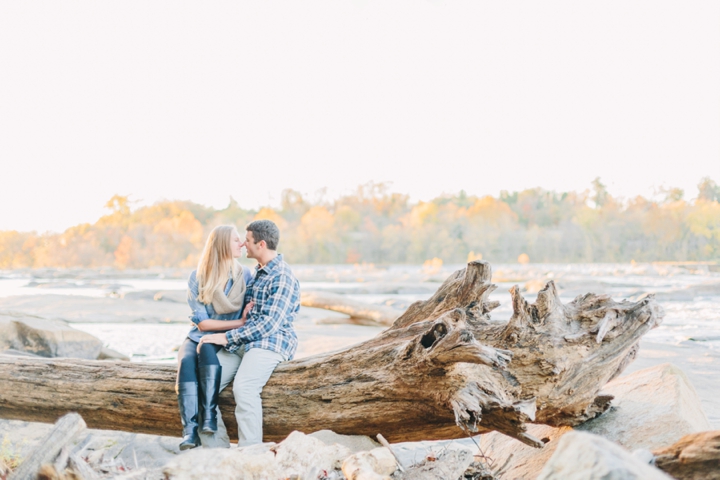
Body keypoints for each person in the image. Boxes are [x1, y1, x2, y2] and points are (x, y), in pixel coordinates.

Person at [198, 219, 299, 447]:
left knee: (244, 388)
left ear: (261, 244)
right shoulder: (258, 273)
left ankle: (251, 456)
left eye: (248, 240)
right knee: (204, 382)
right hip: (244, 342)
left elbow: (269, 325)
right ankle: (217, 453)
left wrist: (225, 337)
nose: (244, 244)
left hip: (270, 343)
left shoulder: (281, 276)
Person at [177, 225, 254, 450]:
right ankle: (190, 431)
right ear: (221, 244)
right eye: (235, 240)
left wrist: (238, 326)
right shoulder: (198, 277)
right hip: (198, 336)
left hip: (226, 341)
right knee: (185, 362)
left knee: (205, 362)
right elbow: (202, 323)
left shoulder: (244, 275)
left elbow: (248, 314)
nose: (241, 243)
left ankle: (208, 417)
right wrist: (239, 322)